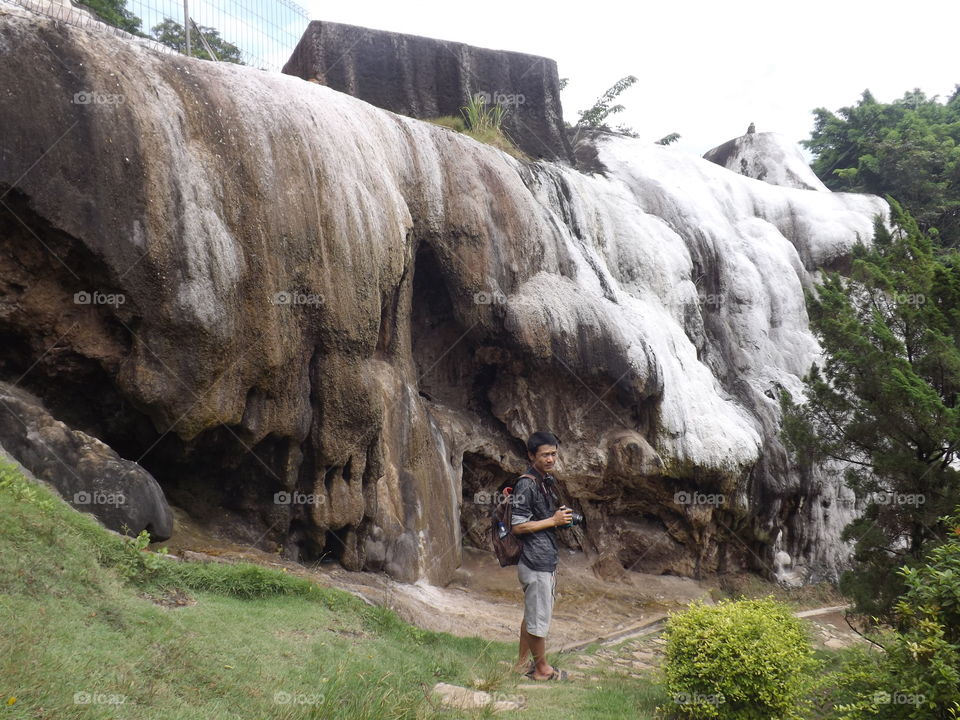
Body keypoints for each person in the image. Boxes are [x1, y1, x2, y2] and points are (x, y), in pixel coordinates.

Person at [510, 430, 571, 681]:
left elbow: (542, 519)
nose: (550, 459)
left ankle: (521, 664)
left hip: (543, 559)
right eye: (545, 455)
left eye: (554, 454)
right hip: (535, 561)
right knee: (538, 618)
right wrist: (552, 520)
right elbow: (518, 525)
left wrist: (560, 520)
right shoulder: (526, 483)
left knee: (532, 613)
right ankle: (542, 669)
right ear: (531, 455)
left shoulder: (545, 480)